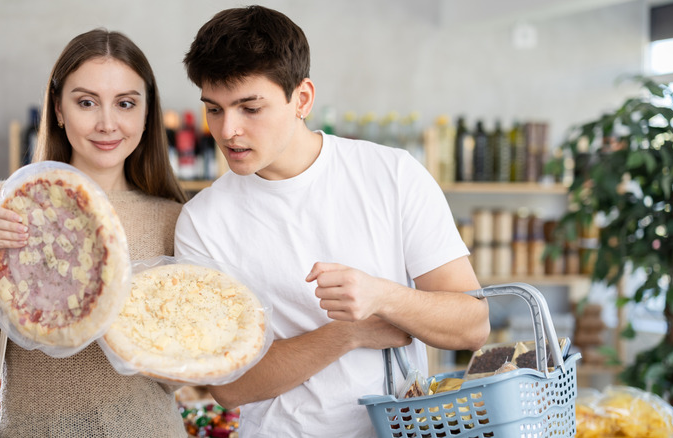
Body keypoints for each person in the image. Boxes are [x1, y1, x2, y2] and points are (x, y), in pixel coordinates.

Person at [174, 5, 491, 437]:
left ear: (301, 99)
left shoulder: (392, 174)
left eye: (250, 108)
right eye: (214, 109)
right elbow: (228, 387)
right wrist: (348, 334)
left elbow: (473, 324)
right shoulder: (203, 222)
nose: (228, 130)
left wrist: (383, 297)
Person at [0, 28, 188, 437]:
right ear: (58, 109)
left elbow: (172, 380)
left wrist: (108, 306)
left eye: (125, 103)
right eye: (86, 102)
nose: (107, 123)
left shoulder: (174, 219)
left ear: (147, 113)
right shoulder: (9, 202)